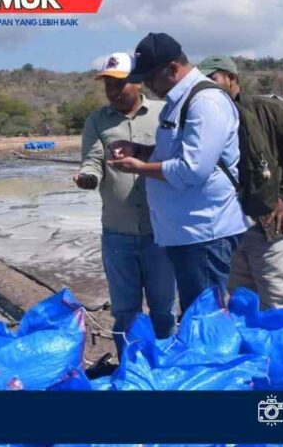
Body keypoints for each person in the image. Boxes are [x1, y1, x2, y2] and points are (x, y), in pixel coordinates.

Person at [107, 33, 248, 313]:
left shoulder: (205, 102)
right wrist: (139, 150)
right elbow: (173, 154)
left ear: (172, 68)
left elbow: (192, 169)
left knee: (204, 318)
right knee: (196, 314)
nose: (146, 84)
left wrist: (140, 168)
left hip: (203, 233)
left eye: (150, 77)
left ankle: (209, 358)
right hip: (185, 233)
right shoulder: (179, 101)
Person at [75, 51, 176, 356]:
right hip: (118, 232)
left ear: (137, 84)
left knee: (163, 309)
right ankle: (128, 369)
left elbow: (177, 157)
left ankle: (163, 368)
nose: (114, 92)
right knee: (125, 310)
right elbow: (92, 160)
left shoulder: (163, 113)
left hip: (161, 231)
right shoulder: (98, 120)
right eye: (108, 86)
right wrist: (88, 177)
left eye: (120, 85)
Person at [197, 55, 283, 308]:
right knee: (239, 302)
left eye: (212, 79)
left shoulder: (266, 110)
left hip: (268, 225)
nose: (206, 87)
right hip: (229, 229)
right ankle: (255, 348)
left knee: (276, 299)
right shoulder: (208, 119)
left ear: (231, 79)